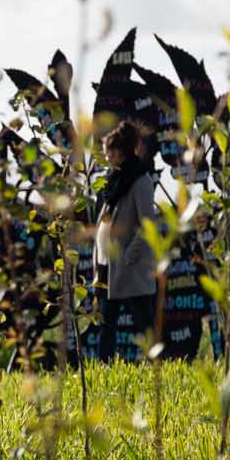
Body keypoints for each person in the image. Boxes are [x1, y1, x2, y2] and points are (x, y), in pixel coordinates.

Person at [94, 121, 159, 362]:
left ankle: (155, 368)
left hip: (129, 267)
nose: (106, 157)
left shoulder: (140, 180)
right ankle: (103, 368)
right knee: (106, 322)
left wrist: (129, 256)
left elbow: (147, 225)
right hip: (107, 264)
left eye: (110, 152)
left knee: (144, 323)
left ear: (121, 151)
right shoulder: (113, 179)